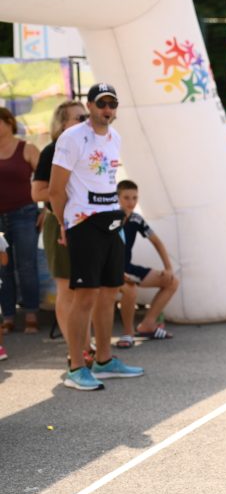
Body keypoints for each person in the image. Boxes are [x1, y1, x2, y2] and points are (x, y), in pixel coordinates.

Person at [49, 83, 145, 390]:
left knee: (109, 291)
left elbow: (106, 180)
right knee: (85, 296)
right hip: (82, 222)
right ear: (89, 106)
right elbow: (54, 189)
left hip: (110, 220)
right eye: (101, 103)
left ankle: (104, 360)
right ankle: (77, 367)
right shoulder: (72, 137)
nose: (107, 109)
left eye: (112, 104)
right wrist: (65, 225)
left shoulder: (115, 137)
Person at [30, 100, 87, 343]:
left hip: (87, 226)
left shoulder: (88, 148)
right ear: (63, 124)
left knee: (86, 291)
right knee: (67, 290)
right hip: (60, 223)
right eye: (79, 118)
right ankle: (75, 349)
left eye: (86, 117)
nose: (86, 122)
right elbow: (38, 193)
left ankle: (86, 345)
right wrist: (70, 194)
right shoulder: (52, 151)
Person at [116, 179, 179, 346]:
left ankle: (148, 325)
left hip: (127, 268)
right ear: (117, 198)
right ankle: (128, 334)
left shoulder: (137, 219)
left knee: (172, 282)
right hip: (109, 269)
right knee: (130, 290)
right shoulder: (111, 217)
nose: (131, 202)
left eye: (135, 198)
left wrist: (168, 268)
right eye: (126, 198)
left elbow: (157, 242)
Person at [0, 106, 41, 335]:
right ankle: (7, 315)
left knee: (27, 266)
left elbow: (46, 180)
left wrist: (47, 211)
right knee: (2, 268)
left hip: (24, 214)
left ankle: (32, 314)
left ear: (9, 122)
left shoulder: (27, 148)